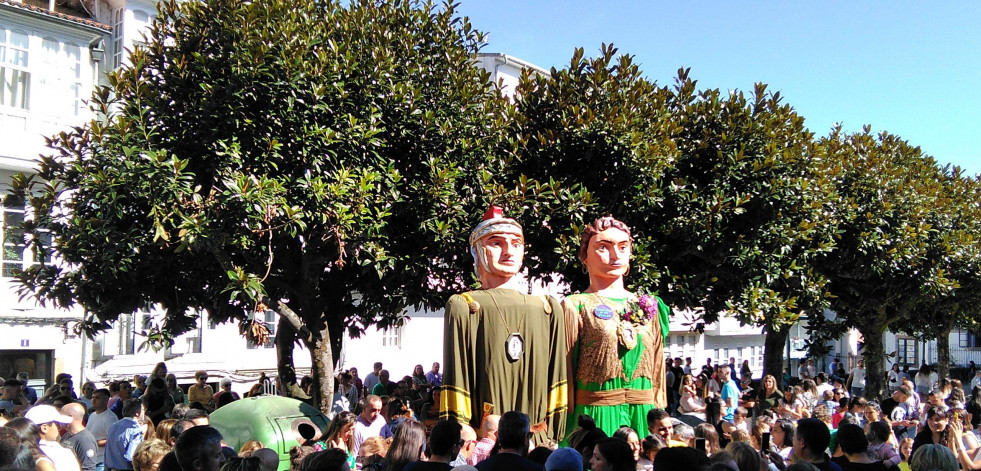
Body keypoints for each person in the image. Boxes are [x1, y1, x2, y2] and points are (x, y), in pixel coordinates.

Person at [442, 206, 567, 443]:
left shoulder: (548, 308)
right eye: (496, 243)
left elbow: (557, 375)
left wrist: (552, 433)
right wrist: (463, 429)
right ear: (477, 250)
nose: (509, 251)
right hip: (486, 440)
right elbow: (456, 375)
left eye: (517, 243)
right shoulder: (465, 305)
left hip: (538, 440)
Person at [564, 216, 669, 437]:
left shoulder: (650, 305)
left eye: (623, 247)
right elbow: (565, 367)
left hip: (643, 414)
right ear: (584, 257)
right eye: (603, 247)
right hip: (596, 413)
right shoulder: (575, 305)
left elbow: (658, 367)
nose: (615, 255)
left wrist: (661, 413)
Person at [475, 411, 542, 471]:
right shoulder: (536, 469)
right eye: (529, 435)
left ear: (498, 436)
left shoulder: (480, 467)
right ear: (525, 438)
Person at [25, 404, 82, 471]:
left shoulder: (21, 450)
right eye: (57, 424)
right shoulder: (61, 454)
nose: (59, 428)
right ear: (44, 428)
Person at [105, 399, 146, 471]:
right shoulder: (135, 429)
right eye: (143, 410)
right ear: (137, 413)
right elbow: (132, 456)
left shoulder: (113, 426)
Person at [87, 388, 119, 471]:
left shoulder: (110, 418)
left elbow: (114, 439)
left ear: (106, 400)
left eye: (97, 398)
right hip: (89, 459)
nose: (93, 400)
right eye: (93, 397)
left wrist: (96, 442)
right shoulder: (92, 415)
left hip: (101, 461)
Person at [61, 403, 98, 471]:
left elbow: (89, 468)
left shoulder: (85, 440)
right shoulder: (66, 436)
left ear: (70, 417)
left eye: (61, 416)